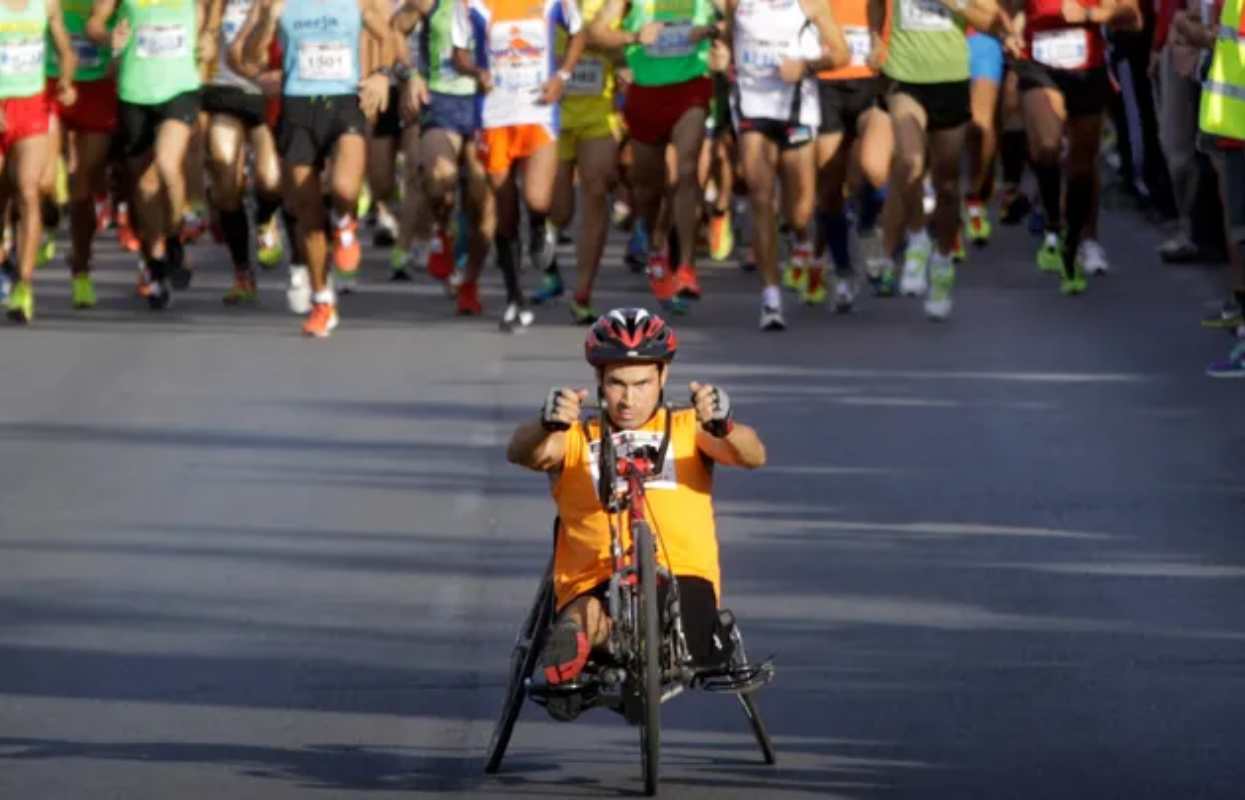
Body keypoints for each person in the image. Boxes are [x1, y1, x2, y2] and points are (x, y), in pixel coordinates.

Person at [506, 307, 766, 720]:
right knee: (584, 616)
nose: (628, 399)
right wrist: (545, 423)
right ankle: (583, 643)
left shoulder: (687, 426)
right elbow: (522, 452)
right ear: (599, 382)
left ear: (663, 377)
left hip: (682, 578)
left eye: (642, 384)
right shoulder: (576, 435)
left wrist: (725, 425)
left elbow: (753, 455)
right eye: (616, 384)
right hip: (595, 578)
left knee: (685, 632)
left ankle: (626, 645)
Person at [231, 0, 393, 337]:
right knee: (308, 214)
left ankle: (347, 226)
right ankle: (322, 300)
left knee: (345, 188)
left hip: (345, 102)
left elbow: (387, 36)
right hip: (297, 109)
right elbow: (248, 56)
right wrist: (268, 28)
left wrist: (381, 75)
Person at [451, 0, 586, 331]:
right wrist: (475, 71)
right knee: (505, 207)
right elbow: (458, 52)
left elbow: (579, 33)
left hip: (538, 110)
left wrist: (563, 75)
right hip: (495, 115)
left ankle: (540, 226)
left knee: (538, 199)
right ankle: (515, 298)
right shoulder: (470, 4)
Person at [725, 0, 849, 329]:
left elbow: (841, 53)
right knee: (761, 197)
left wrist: (807, 66)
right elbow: (727, 37)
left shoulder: (811, 4)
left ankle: (802, 241)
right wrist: (722, 58)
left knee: (800, 211)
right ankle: (771, 298)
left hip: (797, 110)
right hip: (752, 108)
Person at [87, 0, 207, 309]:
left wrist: (208, 33)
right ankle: (155, 262)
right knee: (144, 187)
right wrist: (108, 36)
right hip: (135, 93)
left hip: (180, 89)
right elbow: (94, 23)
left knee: (168, 162)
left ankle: (177, 232)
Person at [202, 0, 284, 305]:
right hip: (225, 91)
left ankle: (265, 219)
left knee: (271, 180)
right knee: (224, 173)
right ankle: (242, 273)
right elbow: (203, 33)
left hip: (263, 96)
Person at [2, 0, 77, 324]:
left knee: (27, 189)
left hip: (31, 106)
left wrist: (65, 80)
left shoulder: (46, 4)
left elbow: (66, 51)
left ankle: (24, 283)